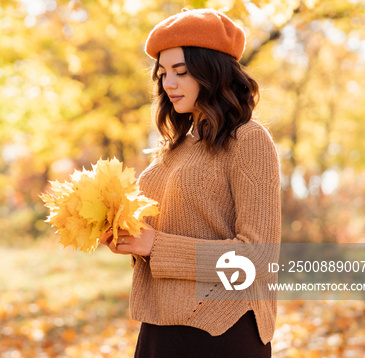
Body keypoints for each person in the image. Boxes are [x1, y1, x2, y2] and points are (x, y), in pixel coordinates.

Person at [99, 8, 281, 357]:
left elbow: (256, 258)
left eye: (181, 72)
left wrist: (155, 245)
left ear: (213, 72)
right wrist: (126, 235)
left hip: (221, 331)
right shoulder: (175, 146)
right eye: (163, 73)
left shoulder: (248, 140)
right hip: (159, 328)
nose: (169, 84)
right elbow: (165, 236)